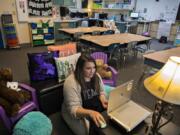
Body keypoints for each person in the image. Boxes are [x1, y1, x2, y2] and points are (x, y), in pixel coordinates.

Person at [61, 54, 108, 135]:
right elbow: (73, 109)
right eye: (88, 68)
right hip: (83, 111)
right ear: (80, 68)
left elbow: (101, 92)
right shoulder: (71, 83)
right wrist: (91, 113)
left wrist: (103, 99)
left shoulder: (96, 76)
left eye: (94, 67)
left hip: (96, 107)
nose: (92, 71)